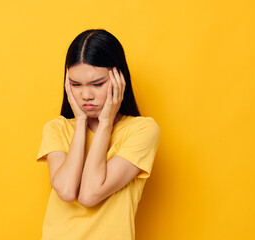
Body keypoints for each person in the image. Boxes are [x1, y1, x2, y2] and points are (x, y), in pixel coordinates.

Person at [36, 29, 161, 240]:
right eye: (75, 85)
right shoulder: (57, 128)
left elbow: (89, 194)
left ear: (119, 79)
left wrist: (105, 123)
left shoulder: (142, 130)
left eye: (97, 84)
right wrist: (82, 122)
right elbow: (66, 191)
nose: (86, 95)